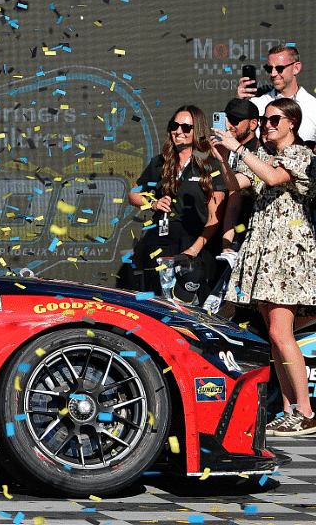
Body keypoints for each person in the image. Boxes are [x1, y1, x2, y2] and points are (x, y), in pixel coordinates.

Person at [212, 98, 316, 436]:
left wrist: (239, 150)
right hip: (264, 253)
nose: (268, 125)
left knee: (280, 332)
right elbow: (232, 185)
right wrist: (222, 154)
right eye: (265, 119)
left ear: (292, 124)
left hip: (287, 254)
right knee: (274, 334)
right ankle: (290, 410)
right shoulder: (264, 156)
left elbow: (272, 178)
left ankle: (306, 411)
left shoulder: (300, 154)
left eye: (274, 119)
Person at [126, 106, 226, 301]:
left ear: (197, 131)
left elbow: (215, 217)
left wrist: (193, 250)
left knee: (189, 306)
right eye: (174, 125)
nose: (178, 131)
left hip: (195, 244)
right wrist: (152, 204)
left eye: (186, 127)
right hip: (160, 242)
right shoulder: (160, 162)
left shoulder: (209, 165)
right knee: (159, 305)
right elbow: (133, 194)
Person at [236, 44, 316, 143]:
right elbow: (234, 134)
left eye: (279, 68)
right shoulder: (256, 104)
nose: (273, 74)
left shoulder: (313, 107)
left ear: (296, 68)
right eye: (269, 69)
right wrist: (237, 103)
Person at [217, 98, 261, 252]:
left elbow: (235, 193)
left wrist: (227, 242)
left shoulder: (259, 153)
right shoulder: (218, 147)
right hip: (214, 231)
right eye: (226, 119)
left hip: (247, 232)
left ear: (253, 124)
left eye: (235, 120)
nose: (229, 125)